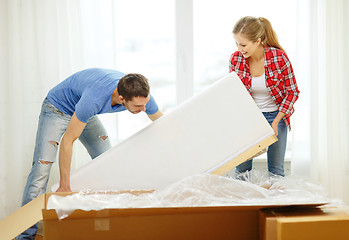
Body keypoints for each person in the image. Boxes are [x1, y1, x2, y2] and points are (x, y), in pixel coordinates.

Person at [16, 68, 163, 240]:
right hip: (58, 108)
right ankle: (24, 236)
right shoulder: (95, 98)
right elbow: (68, 140)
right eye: (138, 106)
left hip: (82, 108)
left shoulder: (142, 98)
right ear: (122, 99)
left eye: (145, 104)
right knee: (41, 169)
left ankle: (102, 226)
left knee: (106, 159)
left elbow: (163, 124)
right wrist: (64, 185)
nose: (144, 109)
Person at [229, 16, 299, 178]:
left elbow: (292, 91)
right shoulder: (236, 59)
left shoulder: (279, 58)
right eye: (237, 43)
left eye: (244, 44)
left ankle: (274, 203)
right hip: (249, 118)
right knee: (242, 172)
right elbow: (234, 94)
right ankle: (245, 202)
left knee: (276, 172)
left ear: (258, 41)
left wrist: (276, 122)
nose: (239, 48)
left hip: (276, 116)